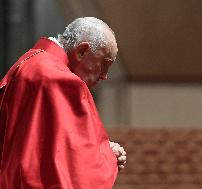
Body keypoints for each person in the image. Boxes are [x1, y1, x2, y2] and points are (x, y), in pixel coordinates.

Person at [0, 17, 126, 188]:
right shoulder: (61, 81)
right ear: (82, 51)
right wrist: (108, 157)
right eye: (104, 64)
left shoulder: (28, 62)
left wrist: (101, 151)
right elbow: (78, 171)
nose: (104, 76)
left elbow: (45, 145)